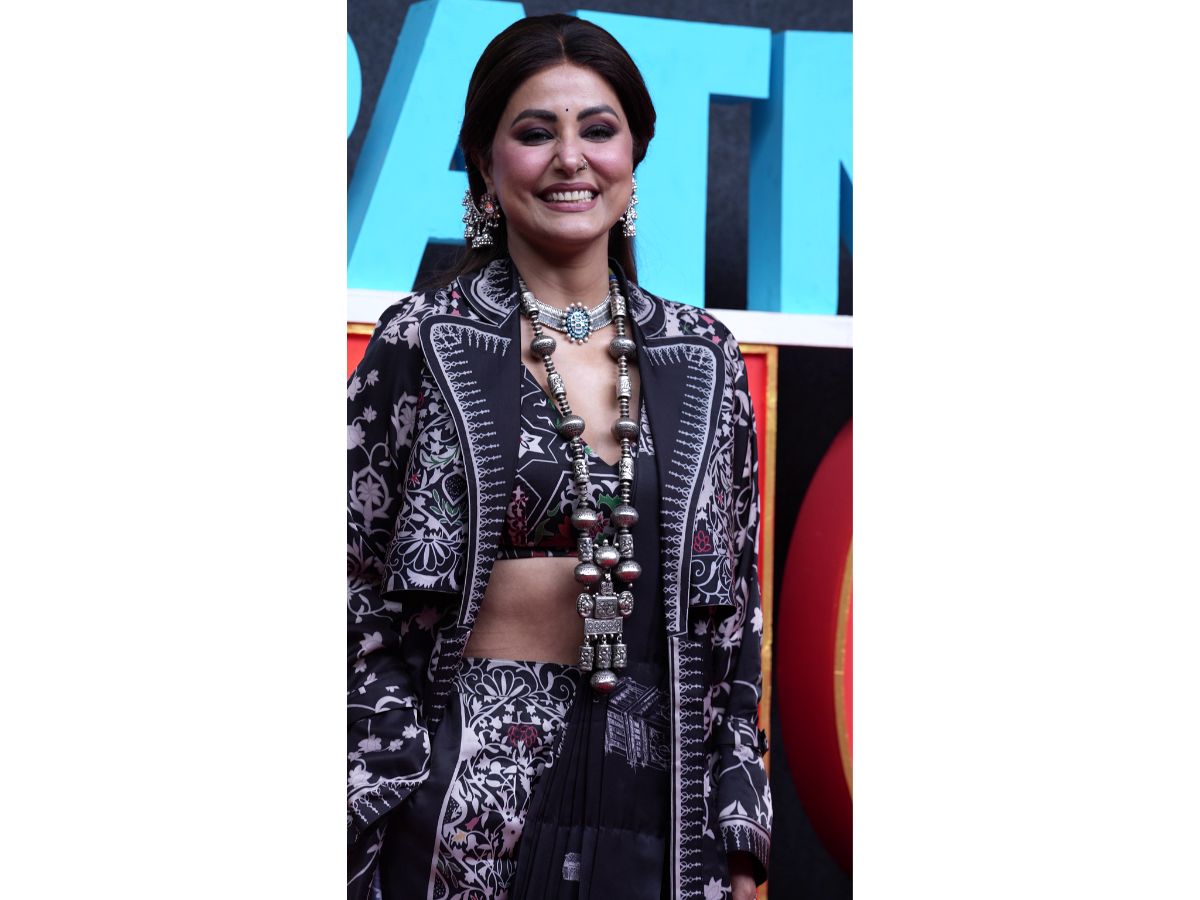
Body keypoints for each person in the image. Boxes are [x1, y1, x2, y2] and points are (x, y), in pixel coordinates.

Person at [347, 14, 771, 899]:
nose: (570, 158)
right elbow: (344, 582)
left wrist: (737, 830)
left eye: (598, 130)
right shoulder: (423, 342)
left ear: (635, 154)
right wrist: (386, 782)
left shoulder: (703, 358)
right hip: (465, 795)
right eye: (536, 132)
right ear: (484, 162)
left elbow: (736, 623)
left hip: (662, 797)